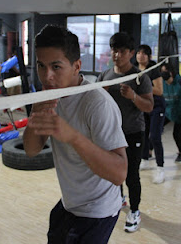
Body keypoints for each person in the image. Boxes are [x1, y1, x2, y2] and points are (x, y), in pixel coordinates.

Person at [23, 25, 128, 244]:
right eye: (41, 66)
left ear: (76, 66)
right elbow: (31, 150)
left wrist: (72, 136)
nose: (47, 76)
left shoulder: (97, 104)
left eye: (56, 66)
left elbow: (119, 173)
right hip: (70, 203)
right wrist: (36, 112)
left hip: (97, 212)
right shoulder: (49, 96)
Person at [97, 32, 153, 233]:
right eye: (114, 50)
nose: (116, 55)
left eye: (121, 51)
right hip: (111, 133)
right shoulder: (105, 75)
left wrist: (133, 96)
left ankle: (135, 211)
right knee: (114, 172)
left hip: (133, 133)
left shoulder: (140, 78)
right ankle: (120, 200)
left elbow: (148, 107)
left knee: (131, 176)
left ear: (130, 53)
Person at [136, 45, 166, 184]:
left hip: (157, 107)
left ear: (149, 57)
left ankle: (160, 169)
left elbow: (159, 90)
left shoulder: (153, 70)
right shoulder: (135, 70)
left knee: (154, 137)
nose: (140, 55)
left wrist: (142, 88)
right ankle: (145, 160)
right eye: (139, 53)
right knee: (143, 135)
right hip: (143, 106)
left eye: (144, 53)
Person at [161, 62, 181, 163]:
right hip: (167, 112)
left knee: (177, 134)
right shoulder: (162, 83)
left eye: (165, 71)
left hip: (180, 113)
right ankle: (149, 151)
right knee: (156, 130)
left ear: (171, 72)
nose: (163, 73)